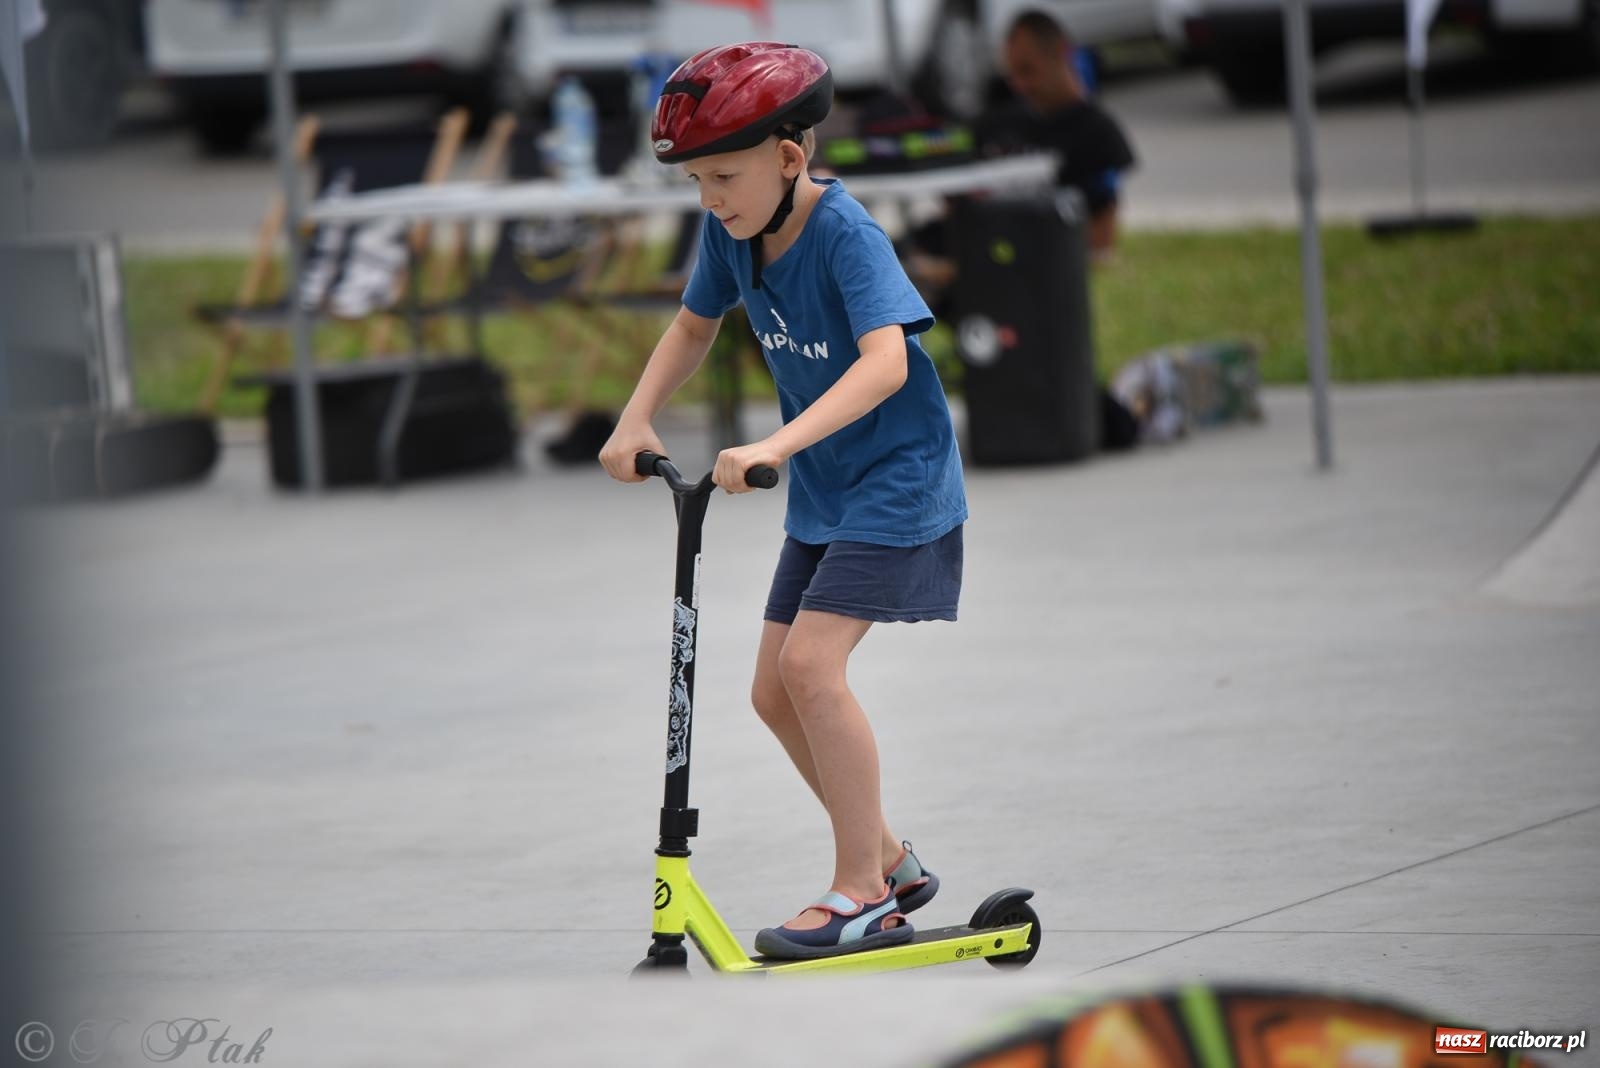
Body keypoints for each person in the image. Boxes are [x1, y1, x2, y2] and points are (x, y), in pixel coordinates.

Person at [598, 42, 965, 960]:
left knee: (810, 667)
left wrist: (775, 443)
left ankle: (862, 893)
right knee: (773, 692)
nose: (709, 198)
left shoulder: (845, 235)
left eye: (723, 176)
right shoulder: (733, 232)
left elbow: (887, 362)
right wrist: (636, 418)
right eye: (696, 181)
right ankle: (892, 860)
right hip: (825, 489)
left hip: (898, 479)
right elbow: (693, 327)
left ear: (790, 157)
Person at [984, 10, 1138, 259]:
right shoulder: (1001, 122)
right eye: (1013, 75)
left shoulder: (1096, 132)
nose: (1020, 86)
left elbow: (1102, 243)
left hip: (1040, 260)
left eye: (1028, 71)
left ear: (1060, 52)